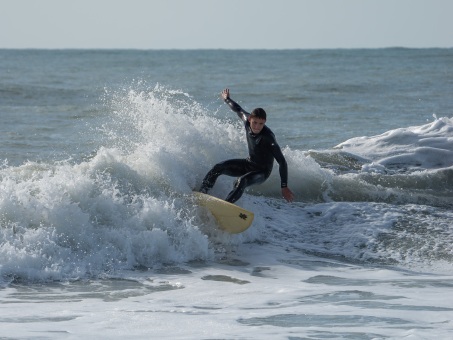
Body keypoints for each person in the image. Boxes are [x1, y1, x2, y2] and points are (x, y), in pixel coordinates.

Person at [199, 88, 294, 203]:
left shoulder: (268, 138)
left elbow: (282, 162)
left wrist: (284, 186)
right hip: (249, 164)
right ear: (250, 119)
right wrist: (227, 99)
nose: (257, 127)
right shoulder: (246, 121)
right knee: (218, 167)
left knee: (242, 181)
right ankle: (202, 194)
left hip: (262, 172)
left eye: (261, 124)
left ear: (265, 122)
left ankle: (226, 206)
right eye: (255, 122)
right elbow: (237, 109)